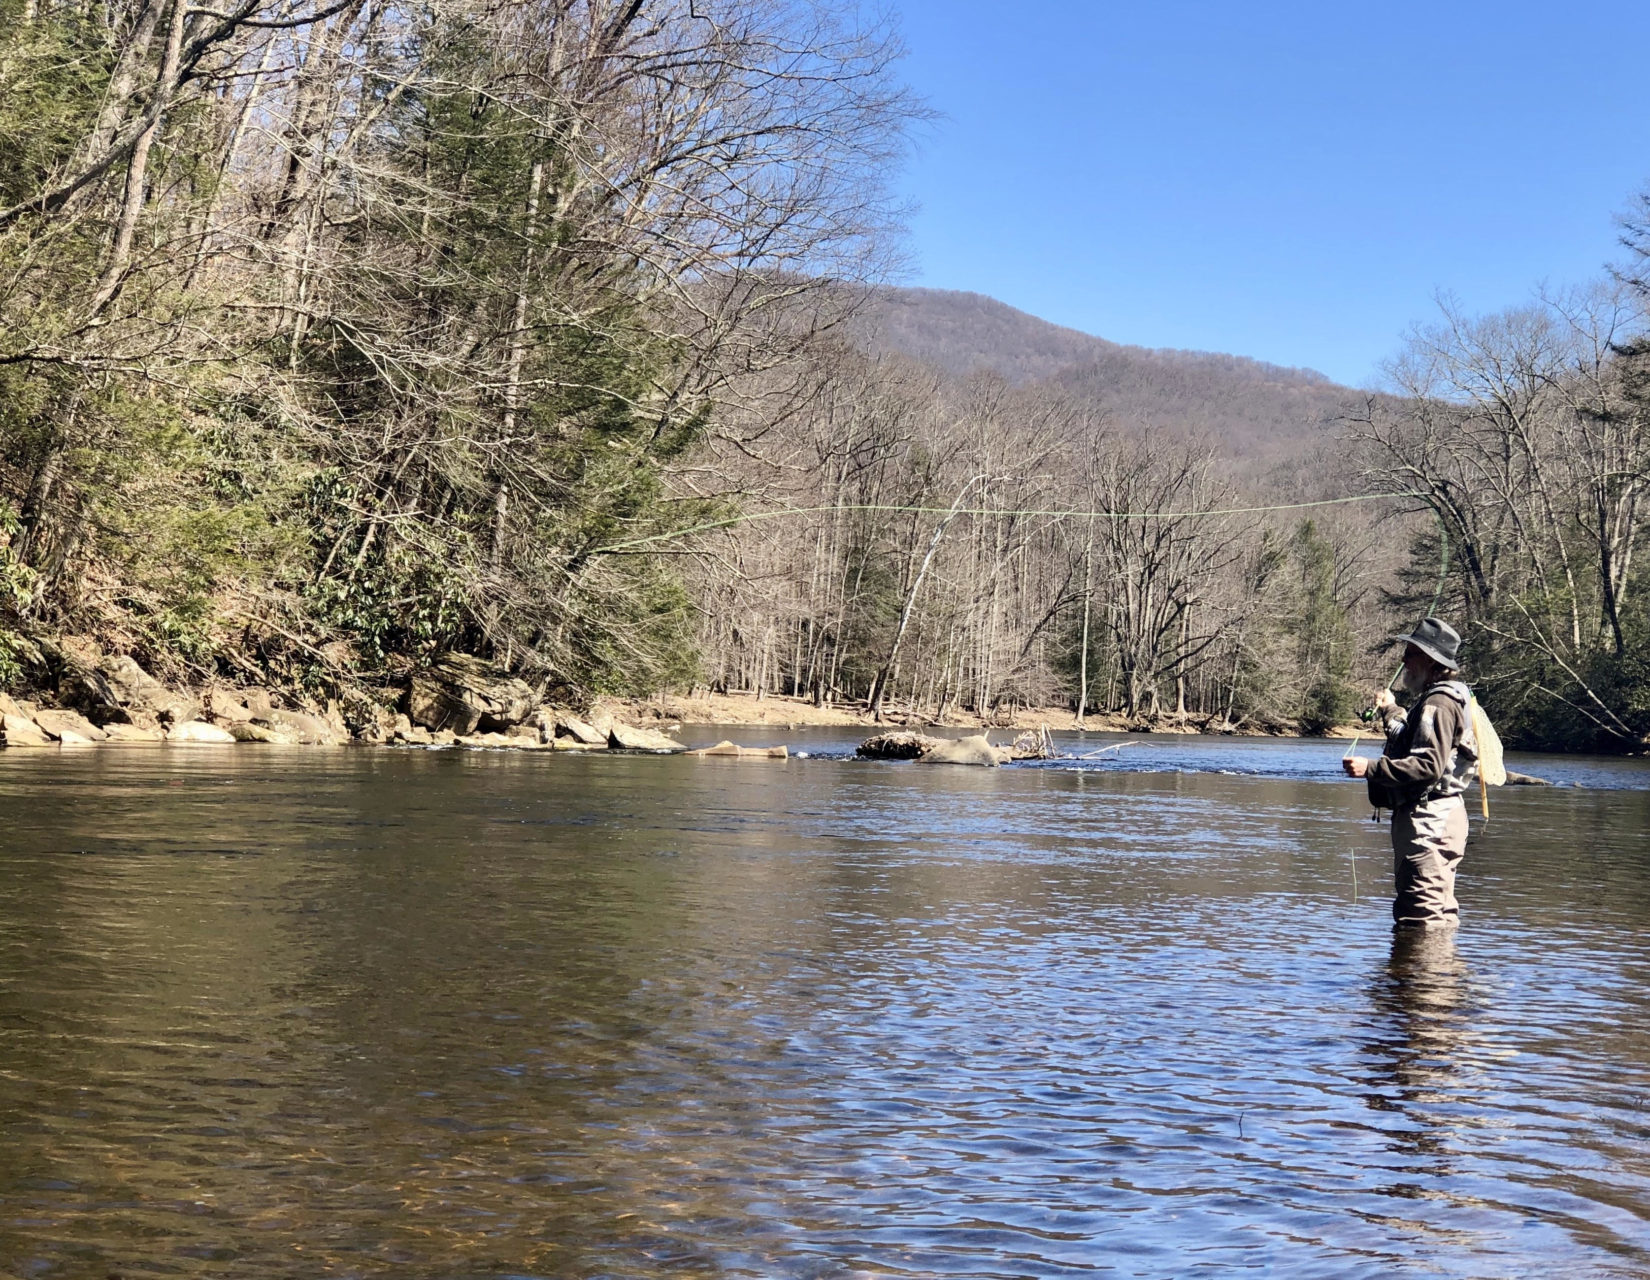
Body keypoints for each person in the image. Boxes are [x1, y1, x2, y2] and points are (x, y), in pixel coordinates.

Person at [1342, 617, 1479, 929]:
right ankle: (1433, 976)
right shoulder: (1443, 697)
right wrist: (1390, 708)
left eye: (1410, 652)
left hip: (1430, 824)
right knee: (1435, 914)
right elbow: (1412, 739)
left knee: (1420, 917)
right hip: (1439, 819)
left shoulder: (1439, 703)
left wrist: (1371, 768)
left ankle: (1422, 978)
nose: (1403, 659)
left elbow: (1428, 765)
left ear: (1429, 660)